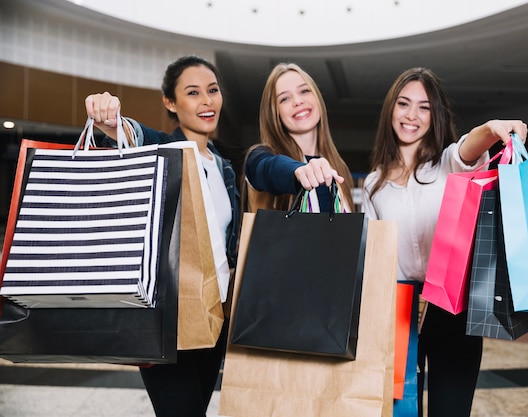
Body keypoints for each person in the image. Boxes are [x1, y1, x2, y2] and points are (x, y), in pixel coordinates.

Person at [361, 67, 527, 417]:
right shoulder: (373, 183)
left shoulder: (449, 162)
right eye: (404, 104)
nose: (412, 115)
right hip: (398, 312)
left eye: (424, 107)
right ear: (391, 109)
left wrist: (491, 129)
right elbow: (374, 258)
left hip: (452, 308)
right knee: (400, 411)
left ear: (435, 115)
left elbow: (469, 148)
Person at [84, 55, 240, 417]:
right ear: (170, 102)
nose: (207, 101)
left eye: (213, 91)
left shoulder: (225, 167)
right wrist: (109, 119)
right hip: (167, 319)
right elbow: (130, 134)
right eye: (193, 92)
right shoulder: (162, 150)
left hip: (215, 318)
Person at [244, 62, 354, 213]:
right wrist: (299, 171)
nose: (297, 101)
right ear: (274, 113)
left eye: (304, 91)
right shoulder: (261, 158)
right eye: (284, 99)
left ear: (317, 98)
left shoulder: (339, 168)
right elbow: (265, 168)